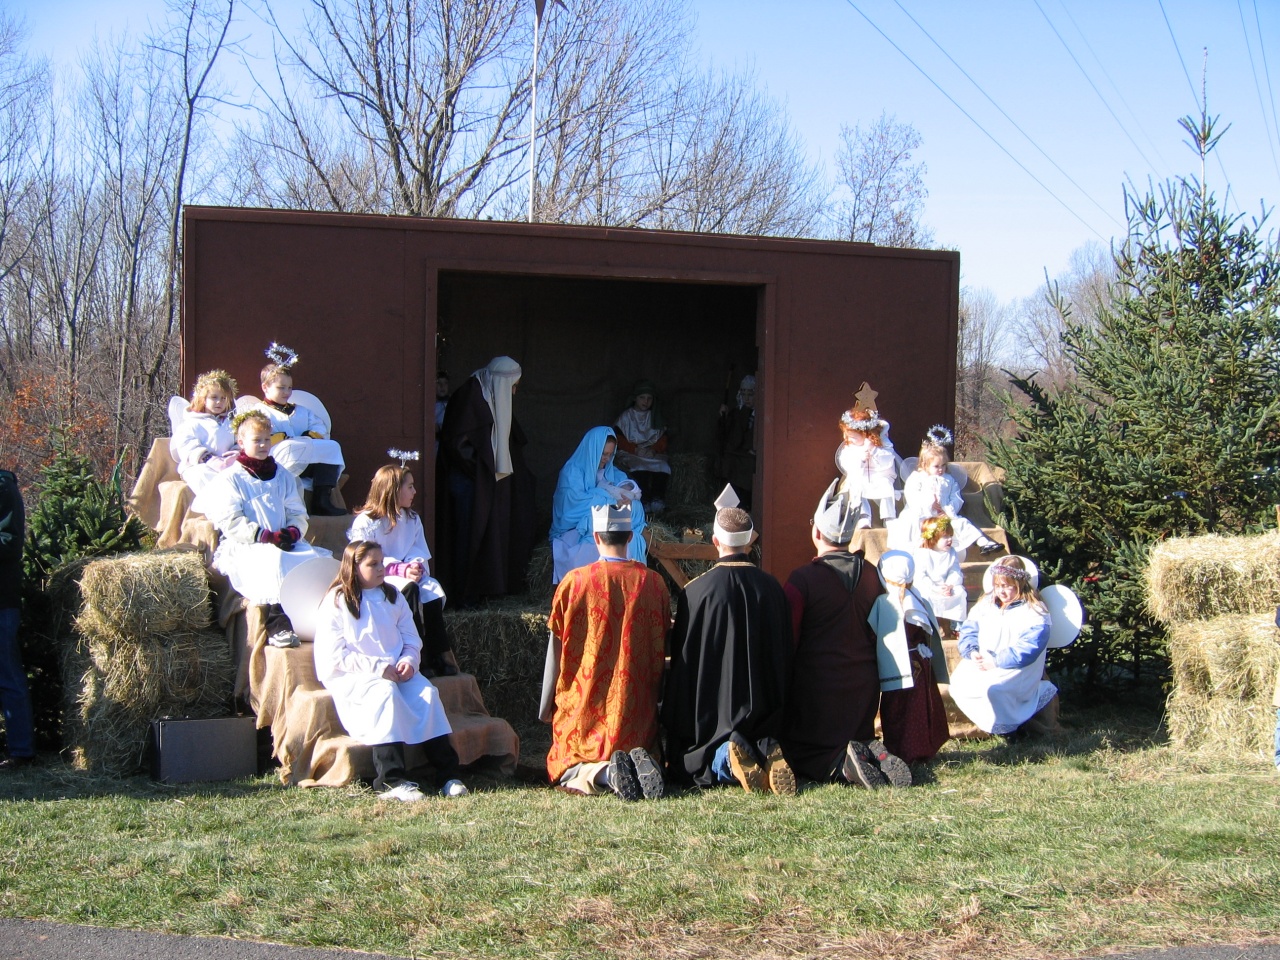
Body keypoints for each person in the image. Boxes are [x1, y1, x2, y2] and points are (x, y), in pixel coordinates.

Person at [780, 480, 910, 789]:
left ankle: (844, 767)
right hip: (864, 685)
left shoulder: (803, 579)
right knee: (856, 736)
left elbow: (787, 638)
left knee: (806, 754)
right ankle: (870, 753)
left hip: (817, 688)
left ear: (816, 533)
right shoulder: (872, 574)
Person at [314, 540, 466, 802]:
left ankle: (447, 775)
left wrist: (409, 660)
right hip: (357, 675)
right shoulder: (337, 601)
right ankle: (390, 780)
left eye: (381, 562)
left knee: (427, 694)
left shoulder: (393, 595)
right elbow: (335, 655)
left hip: (397, 671)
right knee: (384, 694)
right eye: (372, 564)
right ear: (354, 568)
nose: (381, 568)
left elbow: (411, 637)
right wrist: (378, 668)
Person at [662, 503, 795, 794]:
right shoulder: (773, 589)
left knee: (696, 756)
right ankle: (764, 748)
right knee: (764, 732)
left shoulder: (696, 593)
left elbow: (685, 666)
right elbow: (784, 656)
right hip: (765, 709)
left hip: (712, 716)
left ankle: (726, 757)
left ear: (715, 541)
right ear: (750, 542)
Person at [543, 504, 670, 800]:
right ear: (630, 537)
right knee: (638, 745)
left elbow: (555, 649)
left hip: (584, 711)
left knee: (568, 764)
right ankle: (638, 764)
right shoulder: (653, 583)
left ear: (597, 537)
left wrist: (547, 706)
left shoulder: (574, 582)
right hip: (635, 713)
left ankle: (605, 773)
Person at [193, 410, 331, 647]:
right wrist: (264, 535)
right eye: (257, 440)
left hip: (283, 540)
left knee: (312, 561)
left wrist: (292, 531)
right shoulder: (232, 478)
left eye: (267, 439)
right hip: (249, 544)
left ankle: (318, 622)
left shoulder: (282, 475)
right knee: (275, 562)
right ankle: (278, 624)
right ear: (241, 442)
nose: (264, 445)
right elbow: (231, 519)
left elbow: (296, 511)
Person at [437, 356, 536, 604]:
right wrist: (483, 472)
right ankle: (464, 595)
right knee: (468, 535)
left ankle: (484, 590)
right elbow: (458, 446)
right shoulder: (469, 397)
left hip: (485, 484)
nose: (514, 392)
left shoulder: (491, 396)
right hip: (468, 484)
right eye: (512, 386)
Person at [349, 462, 459, 677]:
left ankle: (439, 651)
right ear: (393, 489)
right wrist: (399, 569)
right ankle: (418, 655)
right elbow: (363, 557)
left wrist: (415, 565)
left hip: (408, 573)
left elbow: (418, 549)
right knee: (410, 589)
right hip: (380, 577)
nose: (414, 491)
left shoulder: (412, 519)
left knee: (431, 590)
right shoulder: (367, 521)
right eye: (410, 486)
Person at [949, 556, 1055, 736]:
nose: (1001, 591)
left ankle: (1010, 730)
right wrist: (972, 651)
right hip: (983, 661)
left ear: (1019, 584)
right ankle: (989, 725)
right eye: (997, 586)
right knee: (960, 683)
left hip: (1015, 668)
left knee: (996, 689)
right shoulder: (986, 604)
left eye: (1006, 586)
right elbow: (969, 630)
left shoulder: (1034, 611)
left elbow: (1028, 648)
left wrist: (996, 661)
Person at [870, 551, 950, 765]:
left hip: (899, 665)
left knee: (901, 710)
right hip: (920, 663)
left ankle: (905, 751)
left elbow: (873, 632)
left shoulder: (885, 603)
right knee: (919, 707)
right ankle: (922, 748)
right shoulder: (918, 599)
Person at [253, 343, 347, 516]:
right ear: (265, 387)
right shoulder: (259, 412)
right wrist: (278, 438)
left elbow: (318, 426)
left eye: (289, 388)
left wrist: (309, 435)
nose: (287, 392)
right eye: (281, 388)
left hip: (306, 459)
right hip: (278, 460)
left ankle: (321, 499)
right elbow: (256, 434)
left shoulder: (301, 411)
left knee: (332, 446)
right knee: (292, 448)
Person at [549, 426, 647, 584]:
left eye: (610, 454)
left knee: (633, 537)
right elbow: (571, 507)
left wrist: (627, 501)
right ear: (592, 450)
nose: (606, 459)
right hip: (575, 530)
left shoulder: (614, 474)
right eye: (603, 454)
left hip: (610, 526)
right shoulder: (572, 472)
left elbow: (631, 498)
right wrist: (609, 500)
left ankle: (626, 587)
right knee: (600, 544)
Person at [900, 427, 1000, 555]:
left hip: (944, 513)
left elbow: (956, 497)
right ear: (925, 465)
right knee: (914, 524)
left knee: (961, 523)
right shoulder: (917, 478)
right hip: (923, 514)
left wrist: (948, 510)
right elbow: (912, 495)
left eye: (943, 465)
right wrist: (929, 504)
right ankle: (919, 550)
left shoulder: (949, 480)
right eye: (936, 466)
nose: (940, 469)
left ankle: (983, 543)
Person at [0, 468, 34, 770]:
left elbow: (9, 542)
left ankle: (21, 751)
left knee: (7, 675)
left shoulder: (3, 488)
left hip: (1, 600)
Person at [170, 369, 239, 494]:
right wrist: (208, 459)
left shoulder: (231, 423)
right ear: (203, 399)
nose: (219, 402)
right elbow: (187, 445)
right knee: (202, 474)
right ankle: (216, 501)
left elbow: (239, 441)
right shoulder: (191, 422)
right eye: (214, 397)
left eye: (223, 398)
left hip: (226, 464)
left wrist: (235, 454)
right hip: (198, 465)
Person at [835, 399, 899, 527]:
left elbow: (887, 460)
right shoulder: (850, 448)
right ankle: (863, 515)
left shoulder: (881, 445)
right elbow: (847, 464)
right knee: (856, 486)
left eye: (852, 437)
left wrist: (872, 450)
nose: (847, 439)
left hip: (880, 476)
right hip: (860, 476)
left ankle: (889, 517)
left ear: (865, 435)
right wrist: (861, 459)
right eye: (846, 435)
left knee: (886, 487)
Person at [613, 380, 670, 514]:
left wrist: (654, 450)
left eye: (649, 398)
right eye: (642, 397)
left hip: (651, 453)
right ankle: (644, 500)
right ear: (635, 398)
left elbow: (663, 438)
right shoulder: (626, 417)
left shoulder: (655, 416)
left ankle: (657, 499)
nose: (646, 401)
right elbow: (618, 439)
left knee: (663, 465)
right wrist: (635, 450)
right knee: (638, 465)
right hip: (631, 452)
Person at [912, 515, 968, 625]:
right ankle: (929, 623)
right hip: (929, 587)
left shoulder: (951, 552)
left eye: (950, 536)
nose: (950, 539)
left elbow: (955, 571)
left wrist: (949, 585)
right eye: (945, 536)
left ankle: (956, 625)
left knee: (960, 593)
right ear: (933, 538)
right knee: (925, 596)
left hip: (946, 586)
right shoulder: (922, 553)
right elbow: (920, 576)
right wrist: (935, 588)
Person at [715, 374, 756, 512]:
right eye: (743, 393)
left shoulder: (760, 414)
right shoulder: (736, 413)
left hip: (748, 459)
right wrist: (723, 417)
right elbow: (726, 437)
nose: (746, 398)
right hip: (734, 456)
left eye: (750, 394)